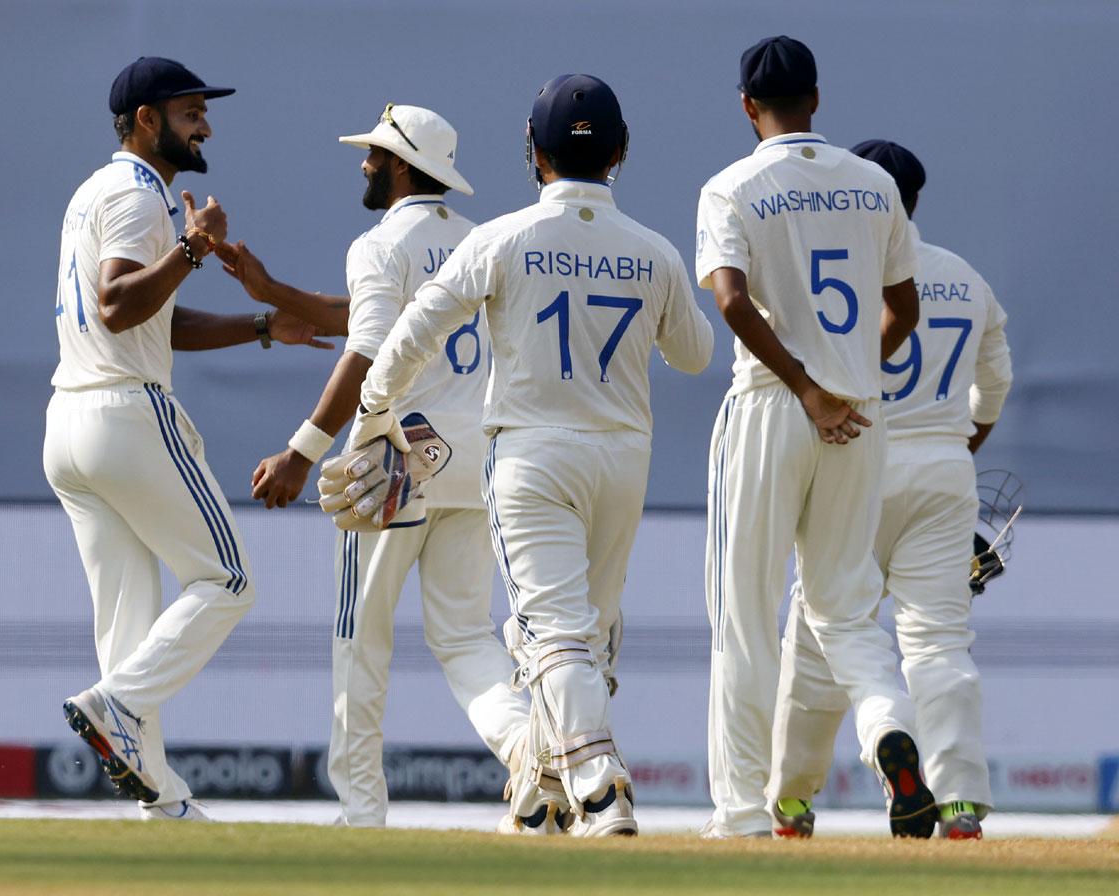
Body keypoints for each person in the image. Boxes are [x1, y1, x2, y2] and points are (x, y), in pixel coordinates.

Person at [343, 74, 714, 836]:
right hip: (622, 454)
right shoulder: (654, 250)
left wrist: (372, 411)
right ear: (621, 153)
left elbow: (416, 328)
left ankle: (600, 782)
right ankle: (541, 787)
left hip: (532, 456)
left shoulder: (502, 238)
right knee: (586, 631)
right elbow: (696, 353)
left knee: (554, 633)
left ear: (532, 154)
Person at [46, 56, 344, 821]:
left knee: (128, 618)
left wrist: (260, 326)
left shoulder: (93, 191)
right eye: (189, 113)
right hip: (123, 416)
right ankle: (115, 707)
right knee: (227, 582)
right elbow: (118, 305)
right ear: (147, 120)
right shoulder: (141, 194)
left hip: (70, 424)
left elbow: (151, 321)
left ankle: (160, 802)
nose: (205, 124)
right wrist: (192, 246)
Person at [222, 103, 531, 827]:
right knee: (464, 637)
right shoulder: (485, 241)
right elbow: (373, 318)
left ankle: (362, 812)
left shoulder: (378, 241)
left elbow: (366, 349)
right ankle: (529, 751)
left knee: (360, 637)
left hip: (393, 459)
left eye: (372, 154)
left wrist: (302, 450)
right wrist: (273, 296)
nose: (363, 164)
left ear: (399, 165)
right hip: (473, 459)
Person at [695, 36, 934, 838]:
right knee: (846, 611)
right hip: (859, 414)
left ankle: (739, 813)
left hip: (772, 404)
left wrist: (805, 387)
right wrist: (846, 379)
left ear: (746, 107)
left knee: (746, 613)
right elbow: (905, 309)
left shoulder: (731, 185)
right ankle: (888, 734)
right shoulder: (874, 185)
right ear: (818, 99)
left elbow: (730, 302)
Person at [768, 139, 1013, 840]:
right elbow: (995, 387)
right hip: (942, 469)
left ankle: (792, 799)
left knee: (818, 634)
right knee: (938, 642)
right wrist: (956, 449)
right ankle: (960, 800)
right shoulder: (966, 279)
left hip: (855, 463)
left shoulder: (835, 280)